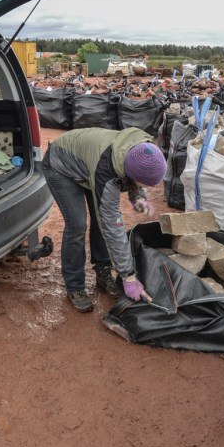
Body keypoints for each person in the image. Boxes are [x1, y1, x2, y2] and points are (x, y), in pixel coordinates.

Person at [44, 127, 167, 312]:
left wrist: (138, 198)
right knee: (78, 224)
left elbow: (139, 175)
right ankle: (75, 286)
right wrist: (129, 276)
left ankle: (102, 271)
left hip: (87, 164)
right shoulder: (107, 173)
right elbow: (112, 225)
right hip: (61, 166)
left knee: (98, 215)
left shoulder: (143, 148)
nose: (146, 187)